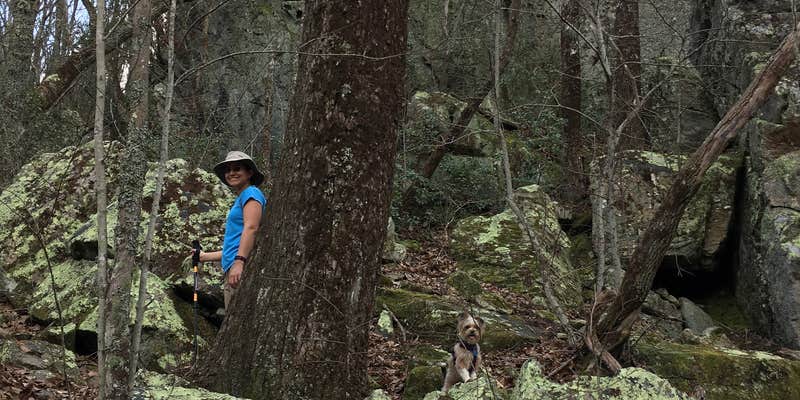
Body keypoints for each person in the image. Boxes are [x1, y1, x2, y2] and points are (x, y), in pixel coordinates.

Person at [193, 151, 266, 308]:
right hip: (234, 268)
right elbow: (234, 245)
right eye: (228, 170)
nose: (231, 173)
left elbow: (252, 227)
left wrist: (239, 263)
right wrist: (204, 256)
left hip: (240, 268)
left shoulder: (251, 193)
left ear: (250, 173)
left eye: (237, 168)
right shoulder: (241, 198)